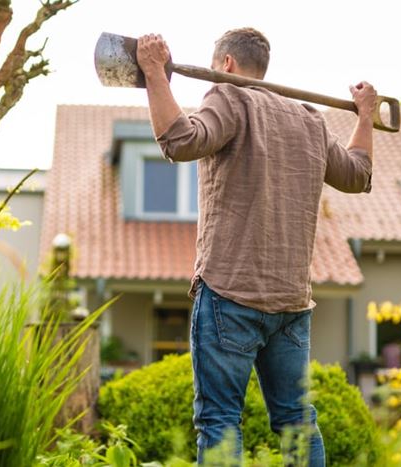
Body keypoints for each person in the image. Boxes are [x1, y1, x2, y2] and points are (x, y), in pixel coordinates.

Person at [136, 28, 377, 466]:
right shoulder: (309, 120)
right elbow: (357, 174)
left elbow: (181, 140)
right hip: (290, 305)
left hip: (231, 294)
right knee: (296, 421)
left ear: (226, 64)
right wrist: (364, 115)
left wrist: (155, 73)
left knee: (220, 421)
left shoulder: (229, 97)